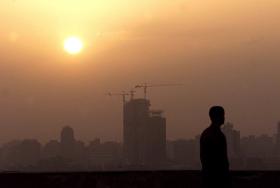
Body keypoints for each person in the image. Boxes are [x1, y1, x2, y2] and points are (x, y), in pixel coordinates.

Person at [200, 106, 231, 188]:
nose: (224, 117)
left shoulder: (206, 133)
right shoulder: (218, 135)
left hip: (208, 178)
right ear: (217, 117)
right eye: (222, 115)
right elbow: (222, 159)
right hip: (217, 179)